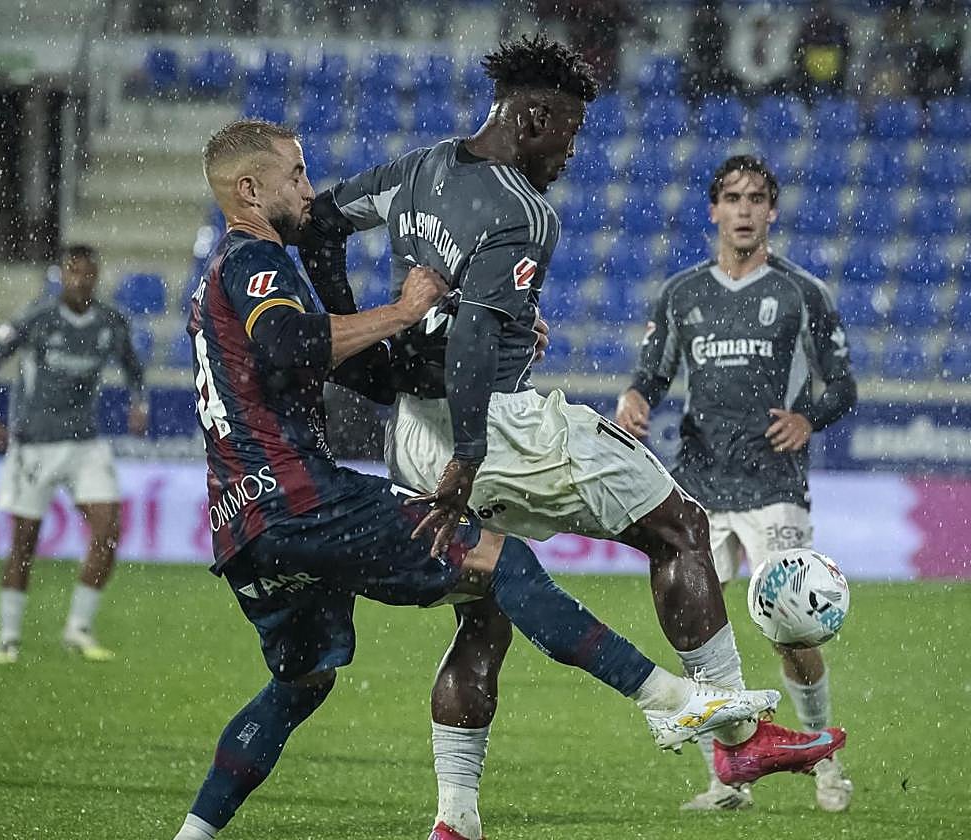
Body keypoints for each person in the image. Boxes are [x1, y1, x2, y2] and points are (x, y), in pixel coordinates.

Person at [300, 35, 847, 840]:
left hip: (411, 434)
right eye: (568, 130)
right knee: (679, 528)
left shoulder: (417, 170)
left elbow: (317, 225)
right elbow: (475, 337)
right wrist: (471, 452)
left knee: (483, 613)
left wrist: (374, 347)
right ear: (531, 118)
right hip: (488, 429)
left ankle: (455, 819)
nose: (571, 149)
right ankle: (738, 739)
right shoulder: (523, 212)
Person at [170, 119, 780, 840]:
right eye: (295, 174)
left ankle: (194, 834)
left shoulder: (218, 276)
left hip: (242, 526)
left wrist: (488, 335)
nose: (308, 189)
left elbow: (360, 369)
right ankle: (668, 700)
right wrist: (403, 309)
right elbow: (289, 343)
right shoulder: (253, 259)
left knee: (302, 682)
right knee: (502, 562)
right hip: (300, 497)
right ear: (249, 189)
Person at [615, 155, 859, 813]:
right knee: (695, 628)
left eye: (756, 199)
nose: (744, 210)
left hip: (773, 483)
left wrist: (809, 417)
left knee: (792, 632)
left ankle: (824, 757)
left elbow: (842, 383)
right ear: (714, 210)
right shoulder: (683, 293)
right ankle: (725, 782)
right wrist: (636, 397)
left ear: (771, 211)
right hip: (698, 486)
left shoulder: (803, 293)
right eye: (733, 198)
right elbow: (653, 372)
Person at [0, 244, 147, 664]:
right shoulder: (36, 319)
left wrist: (139, 402)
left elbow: (133, 366)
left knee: (108, 531)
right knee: (24, 543)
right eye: (73, 272)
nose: (80, 281)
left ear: (97, 276)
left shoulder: (110, 322)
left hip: (85, 443)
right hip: (34, 444)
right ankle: (8, 637)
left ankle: (78, 629)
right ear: (62, 275)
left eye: (88, 273)